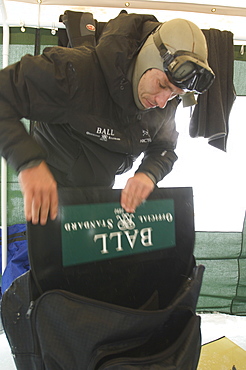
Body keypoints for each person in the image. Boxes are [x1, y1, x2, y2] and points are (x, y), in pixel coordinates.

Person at [0, 12, 214, 225]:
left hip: (98, 199)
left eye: (175, 94)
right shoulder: (76, 72)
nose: (162, 101)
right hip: (50, 198)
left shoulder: (164, 103)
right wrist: (28, 163)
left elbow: (164, 149)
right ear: (148, 57)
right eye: (161, 85)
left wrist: (148, 174)